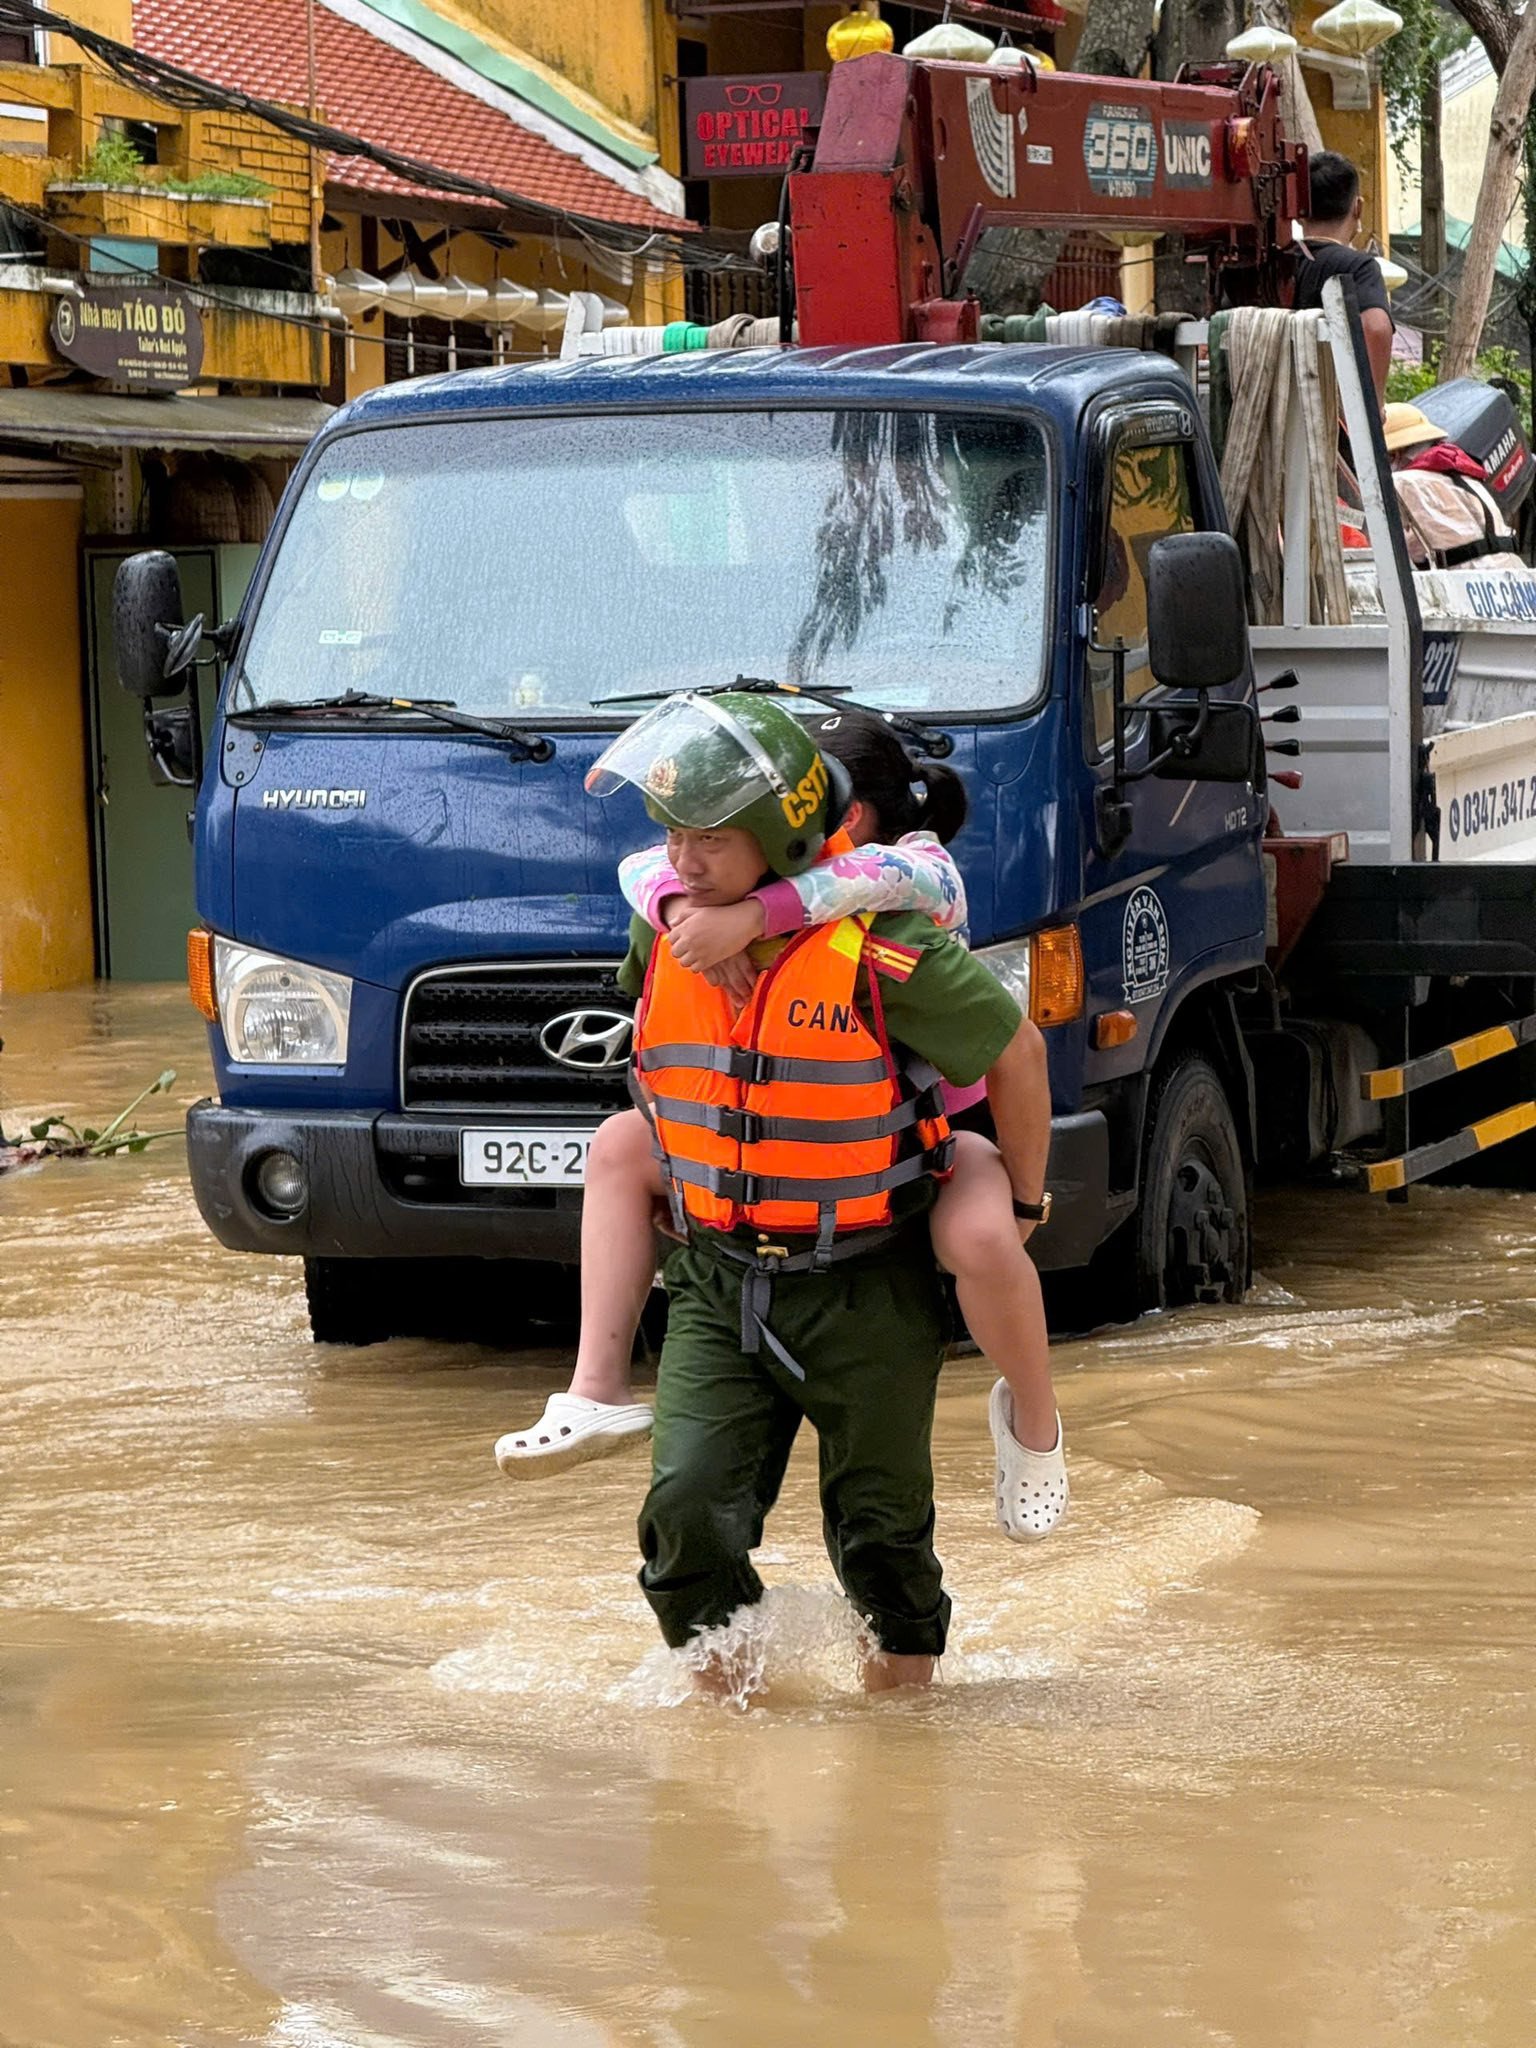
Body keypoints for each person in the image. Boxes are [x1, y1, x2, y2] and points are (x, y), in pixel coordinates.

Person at [568, 691, 1054, 1693]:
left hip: (867, 1279)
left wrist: (1026, 1203)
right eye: (673, 833)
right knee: (684, 1513)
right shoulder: (665, 923)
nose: (682, 859)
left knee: (884, 1546)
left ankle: (901, 1770)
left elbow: (1016, 1047)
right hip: (718, 1272)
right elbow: (668, 1031)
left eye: (710, 837)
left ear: (784, 838)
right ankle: (731, 1733)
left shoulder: (890, 940)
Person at [1292, 150, 1394, 412]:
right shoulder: (1358, 267)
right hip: (1330, 416)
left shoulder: (1274, 264)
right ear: (1357, 207)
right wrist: (1373, 406)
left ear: (1298, 210)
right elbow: (1376, 328)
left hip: (1278, 411)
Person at [1383, 403, 1520, 566]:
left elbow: (1381, 541)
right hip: (1515, 578)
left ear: (1392, 456)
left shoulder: (1402, 482)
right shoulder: (1467, 478)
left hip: (1464, 582)